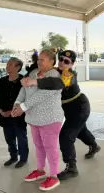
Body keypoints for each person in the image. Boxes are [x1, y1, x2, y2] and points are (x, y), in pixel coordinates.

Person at [21, 50, 101, 181]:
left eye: (67, 61)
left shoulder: (69, 75)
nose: (62, 63)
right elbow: (41, 71)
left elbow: (57, 84)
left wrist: (35, 82)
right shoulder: (55, 71)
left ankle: (72, 168)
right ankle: (94, 145)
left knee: (66, 135)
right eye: (61, 59)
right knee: (80, 130)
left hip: (79, 107)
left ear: (72, 64)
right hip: (68, 109)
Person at [12, 49, 64, 191]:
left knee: (50, 147)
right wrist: (17, 104)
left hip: (50, 119)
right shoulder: (34, 73)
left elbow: (41, 96)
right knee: (38, 146)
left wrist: (22, 107)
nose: (39, 62)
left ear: (52, 62)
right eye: (38, 59)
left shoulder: (53, 76)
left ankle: (54, 176)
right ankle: (40, 170)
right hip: (34, 119)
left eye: (43, 60)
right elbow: (23, 90)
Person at [0, 57, 28, 168]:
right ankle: (13, 156)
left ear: (17, 67)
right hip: (5, 116)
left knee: (21, 137)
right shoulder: (2, 81)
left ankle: (23, 158)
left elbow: (27, 99)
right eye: (7, 64)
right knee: (9, 138)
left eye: (10, 64)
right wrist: (0, 111)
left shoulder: (24, 81)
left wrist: (13, 111)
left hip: (19, 116)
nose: (7, 66)